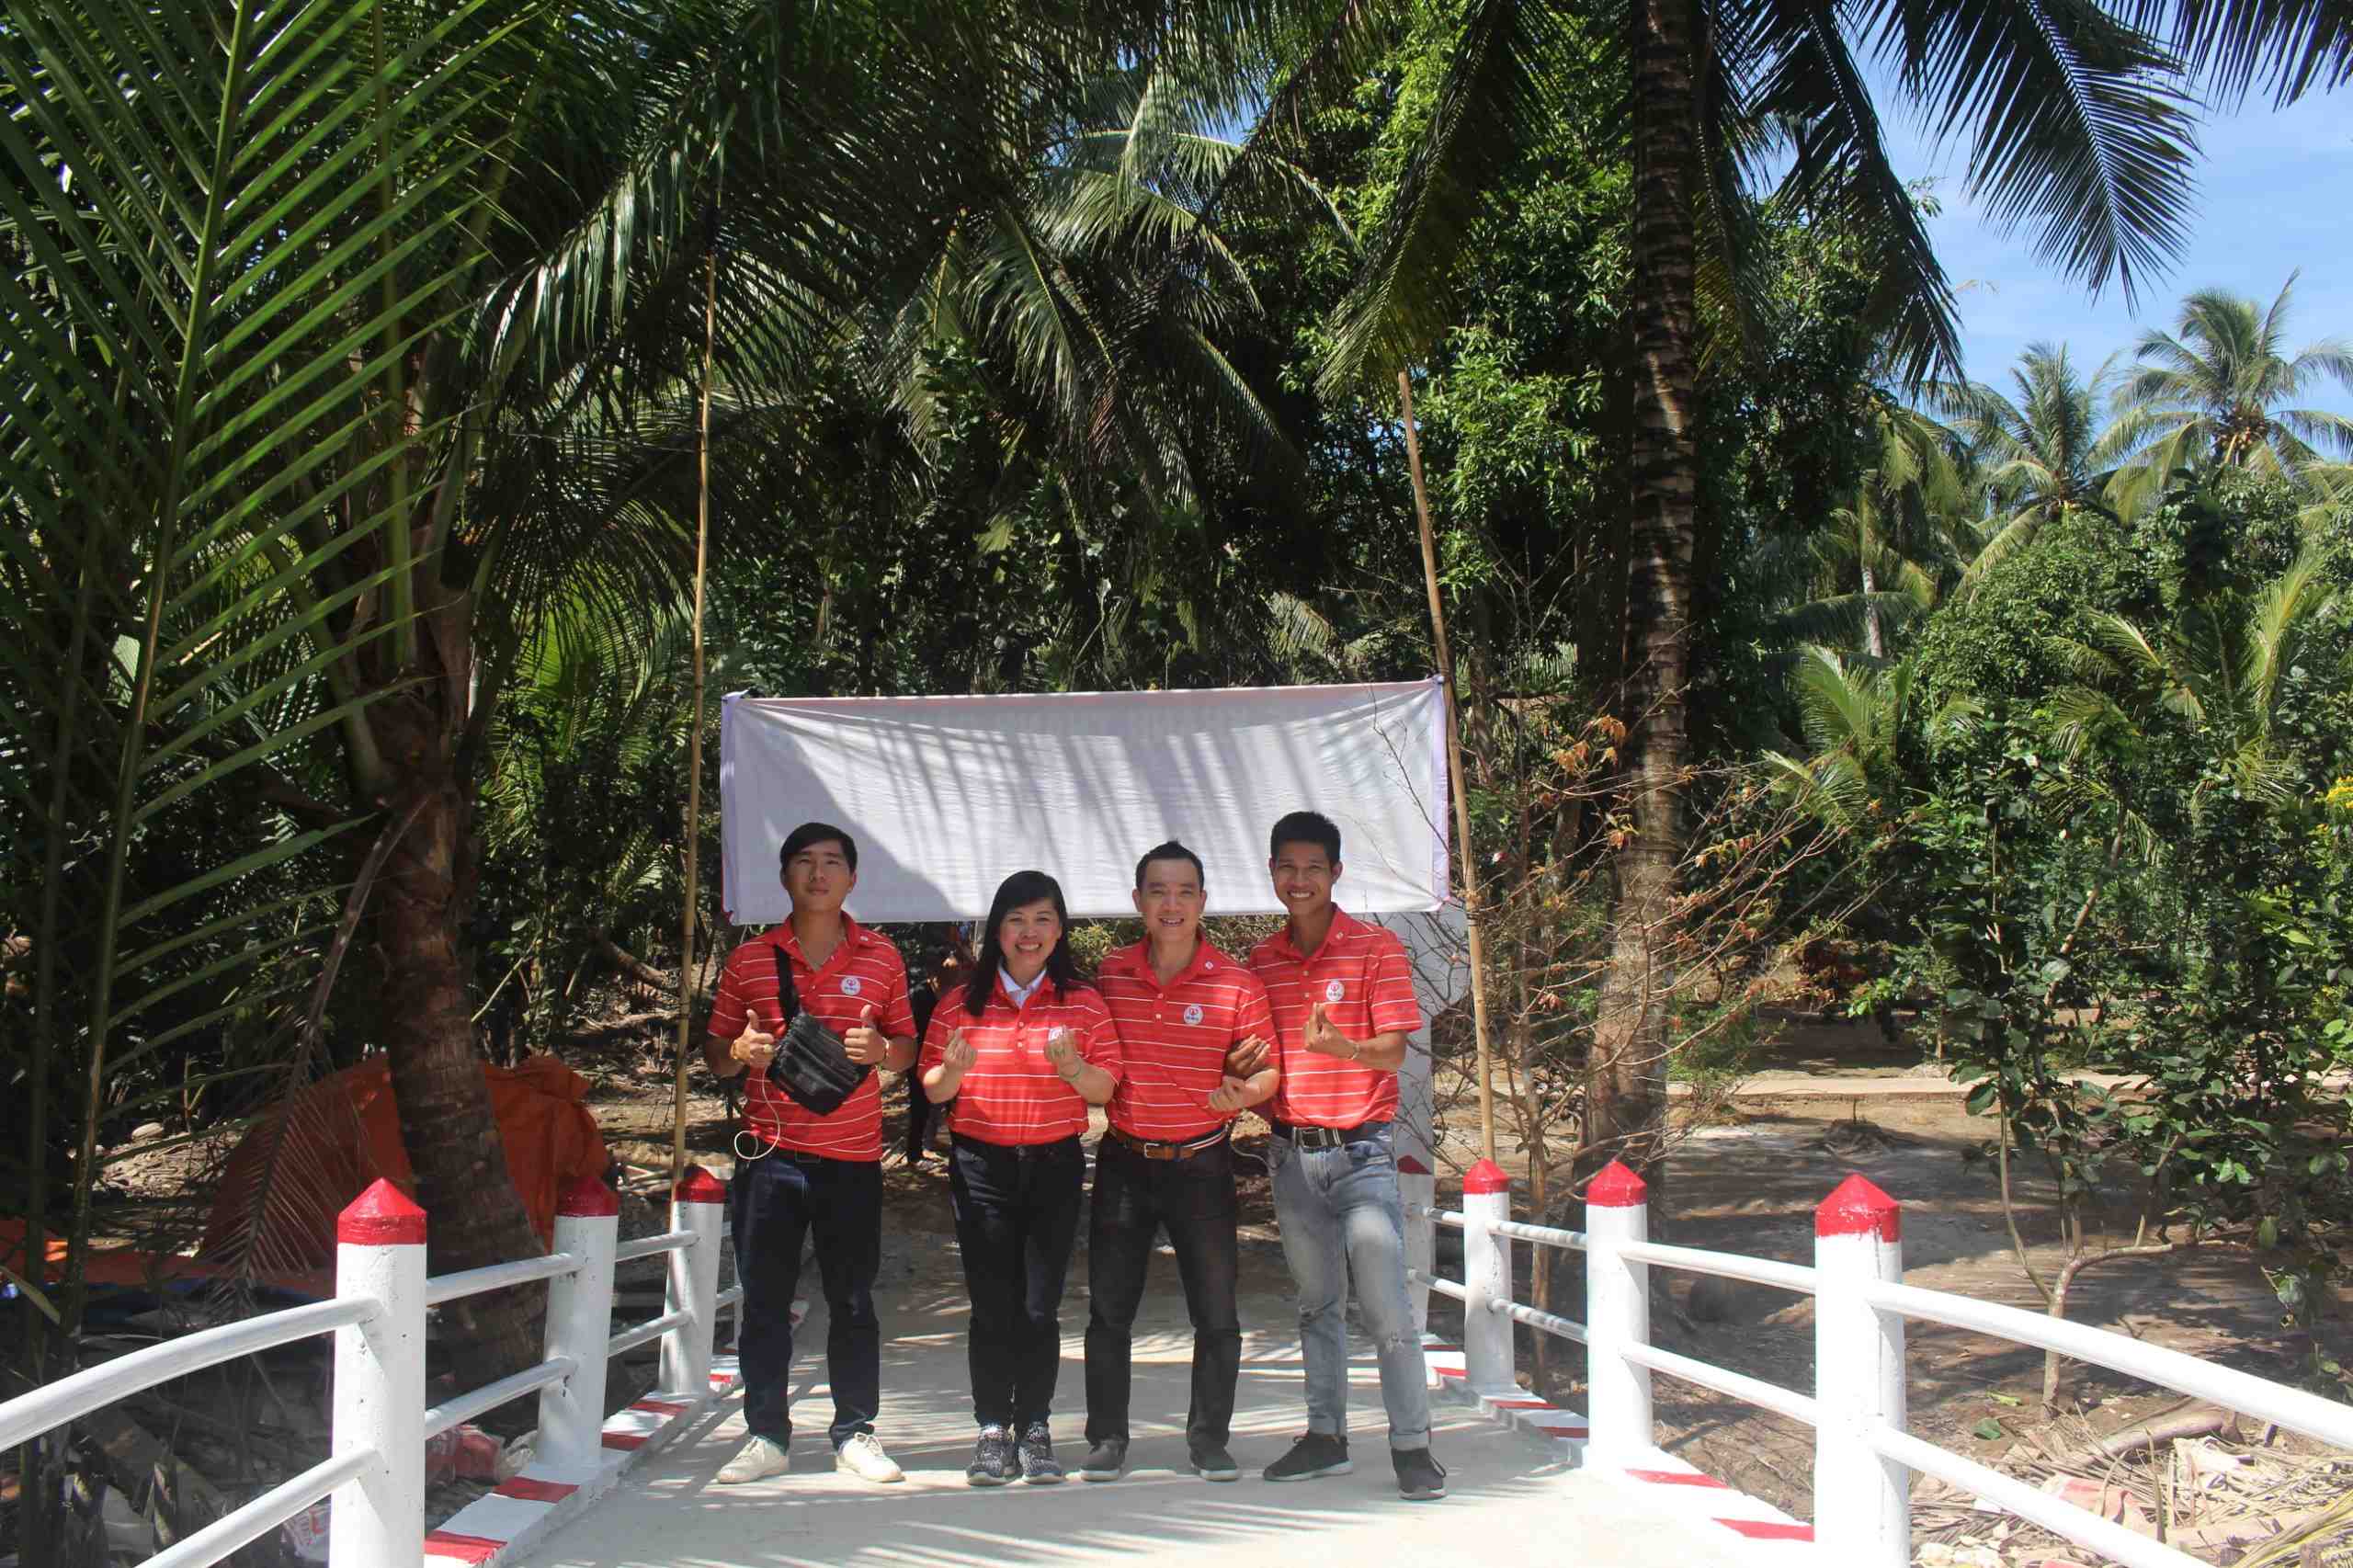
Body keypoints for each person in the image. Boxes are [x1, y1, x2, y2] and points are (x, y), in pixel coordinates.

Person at [703, 823, 916, 1487]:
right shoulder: (750, 960)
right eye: (804, 861)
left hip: (852, 1159)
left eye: (831, 863)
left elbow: (908, 1047)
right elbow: (715, 1054)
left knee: (852, 1300)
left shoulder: (883, 957)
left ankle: (856, 1433)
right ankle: (766, 1435)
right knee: (764, 1303)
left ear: (852, 878)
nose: (818, 874)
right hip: (769, 1157)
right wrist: (738, 1053)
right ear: (784, 876)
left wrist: (881, 1051)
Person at [1245, 810, 1447, 1501]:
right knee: (1316, 1306)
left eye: (1313, 868)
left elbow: (1393, 1051)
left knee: (1387, 1308)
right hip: (1291, 1156)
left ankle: (1412, 1447)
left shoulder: (1375, 948)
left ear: (1336, 873)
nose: (1299, 880)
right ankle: (1325, 1437)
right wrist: (1241, 1073)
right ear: (1272, 873)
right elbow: (1260, 1060)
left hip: (1362, 1155)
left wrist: (1344, 1048)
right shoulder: (1262, 962)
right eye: (1287, 867)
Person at [1080, 841, 1279, 1483]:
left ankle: (1209, 1441)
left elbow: (1268, 1070)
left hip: (1202, 1165)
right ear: (1138, 901)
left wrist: (1243, 1094)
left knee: (1216, 1314)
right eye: (1158, 891)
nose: (1172, 904)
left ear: (1203, 901)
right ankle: (1107, 1438)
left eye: (1185, 891)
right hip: (1125, 1161)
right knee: (1109, 1312)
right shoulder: (1110, 974)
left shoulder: (1236, 983)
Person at [919, 870, 1122, 1486]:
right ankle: (991, 1430)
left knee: (1039, 1306)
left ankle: (1034, 1427)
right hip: (982, 1166)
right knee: (992, 1306)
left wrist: (1074, 1068)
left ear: (1059, 931)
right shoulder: (961, 1002)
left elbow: (1104, 1090)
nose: (1028, 933)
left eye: (1042, 920)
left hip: (1054, 1166)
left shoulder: (1083, 1002)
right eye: (1015, 920)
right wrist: (953, 1073)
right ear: (997, 930)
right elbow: (933, 1088)